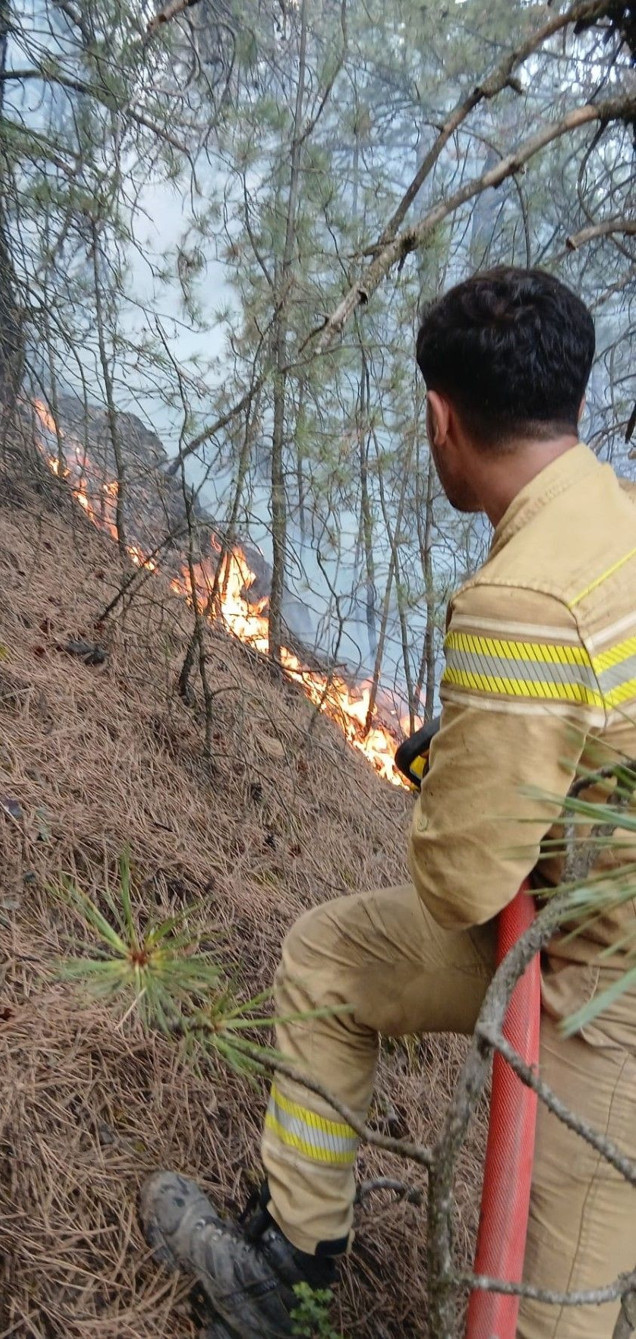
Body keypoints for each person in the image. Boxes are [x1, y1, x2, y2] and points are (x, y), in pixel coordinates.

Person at [141, 267, 636, 1339]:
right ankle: (288, 1276)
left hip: (609, 990)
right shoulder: (611, 513)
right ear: (579, 406)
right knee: (330, 959)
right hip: (579, 919)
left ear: (437, 417)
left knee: (546, 1315)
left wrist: (456, 778)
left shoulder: (522, 597)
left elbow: (461, 879)